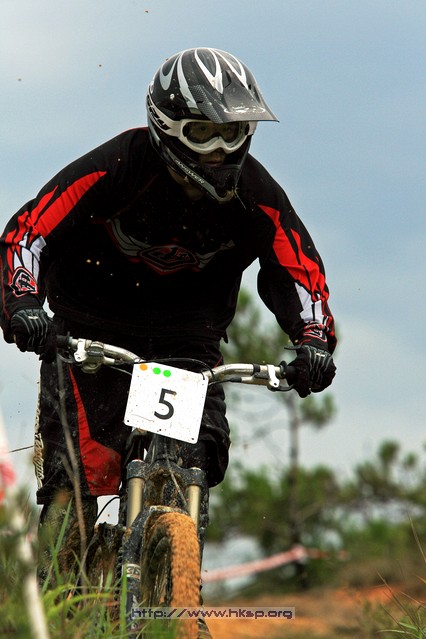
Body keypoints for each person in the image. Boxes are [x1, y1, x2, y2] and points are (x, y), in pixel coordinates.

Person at [0, 46, 336, 603]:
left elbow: (298, 268)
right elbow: (29, 232)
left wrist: (314, 340)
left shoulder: (257, 195)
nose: (220, 150)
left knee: (195, 456)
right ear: (167, 127)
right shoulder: (117, 166)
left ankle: (179, 594)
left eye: (232, 133)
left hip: (187, 341)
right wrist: (23, 305)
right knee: (73, 483)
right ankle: (54, 603)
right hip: (89, 332)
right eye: (204, 133)